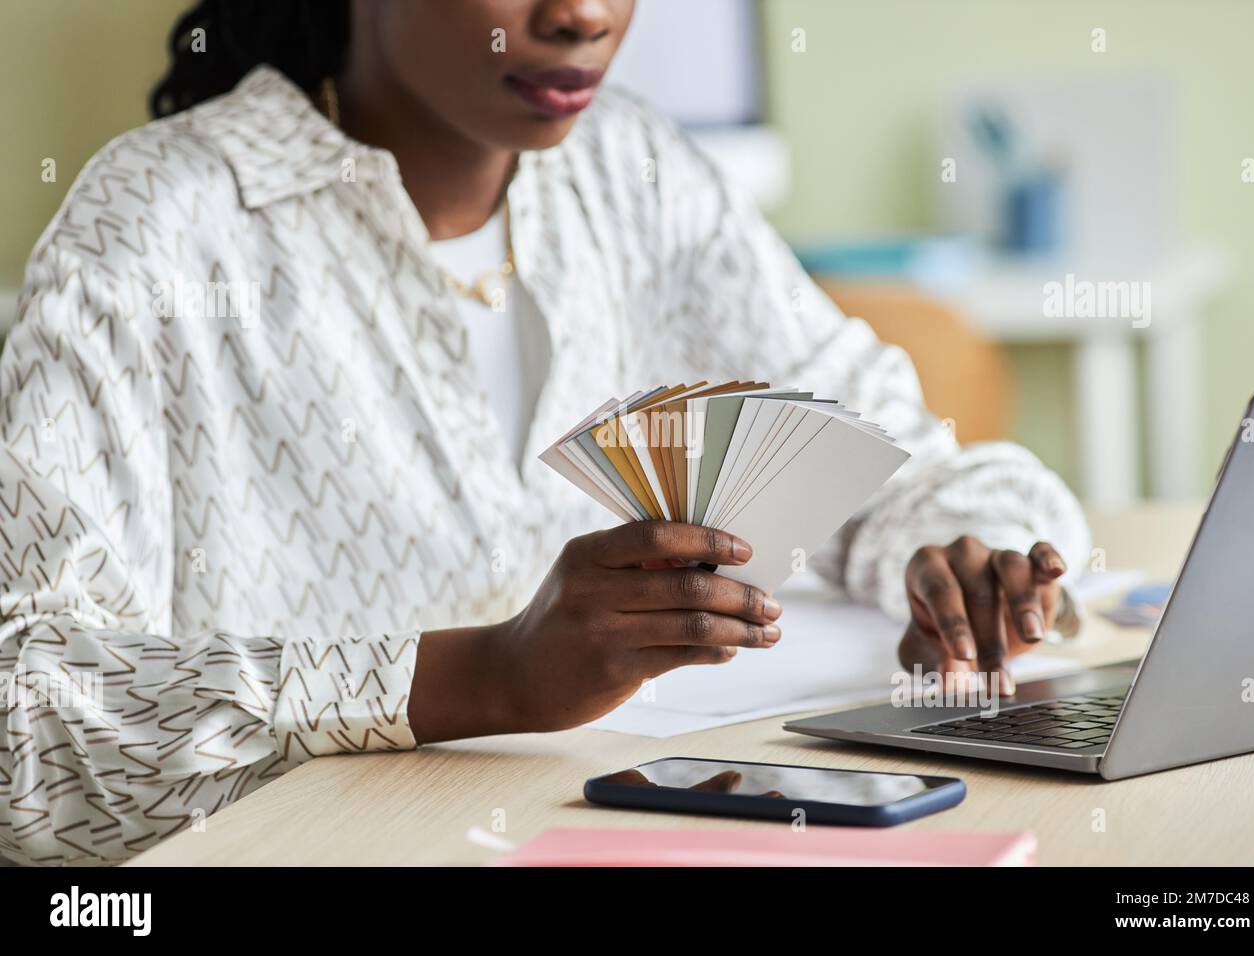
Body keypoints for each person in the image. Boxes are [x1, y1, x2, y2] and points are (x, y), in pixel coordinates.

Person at [0, 0, 1087, 866]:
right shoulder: (156, 227)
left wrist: (964, 547)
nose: (583, 14)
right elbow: (27, 726)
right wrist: (487, 676)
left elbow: (893, 447)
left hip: (631, 835)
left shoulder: (631, 171)